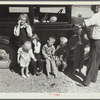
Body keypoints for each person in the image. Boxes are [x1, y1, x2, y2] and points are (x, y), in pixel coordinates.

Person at [77, 5, 100, 86]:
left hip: (96, 41)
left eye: (93, 9)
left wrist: (79, 25)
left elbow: (86, 23)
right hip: (98, 41)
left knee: (91, 61)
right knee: (97, 60)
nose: (92, 11)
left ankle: (86, 82)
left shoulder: (96, 16)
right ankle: (93, 78)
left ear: (97, 8)